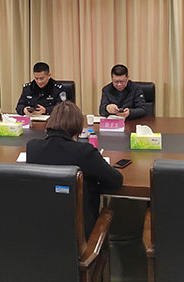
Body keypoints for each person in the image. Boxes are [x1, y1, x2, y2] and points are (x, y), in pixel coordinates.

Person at [26, 101, 123, 235]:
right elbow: (116, 181)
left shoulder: (33, 147)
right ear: (77, 126)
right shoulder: (84, 152)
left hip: (40, 230)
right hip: (79, 234)